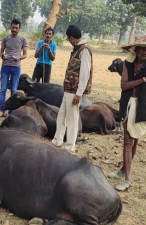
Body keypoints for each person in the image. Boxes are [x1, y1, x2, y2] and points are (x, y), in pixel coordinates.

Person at [107, 34, 146, 191]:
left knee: (134, 138)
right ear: (136, 49)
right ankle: (127, 177)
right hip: (128, 103)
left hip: (143, 106)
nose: (144, 52)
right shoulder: (128, 63)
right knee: (128, 139)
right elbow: (124, 85)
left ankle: (124, 171)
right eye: (142, 48)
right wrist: (145, 79)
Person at [51, 25, 93, 153]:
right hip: (68, 90)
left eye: (69, 39)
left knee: (72, 119)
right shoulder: (77, 49)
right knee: (61, 115)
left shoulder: (84, 50)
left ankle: (70, 146)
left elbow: (85, 74)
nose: (69, 41)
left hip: (74, 91)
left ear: (72, 38)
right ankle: (57, 140)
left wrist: (79, 93)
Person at [0, 19, 28, 117]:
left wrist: (19, 58)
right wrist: (2, 56)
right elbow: (1, 52)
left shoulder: (23, 40)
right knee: (3, 89)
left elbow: (25, 54)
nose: (14, 29)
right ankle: (2, 110)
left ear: (20, 29)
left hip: (16, 67)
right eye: (13, 27)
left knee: (14, 90)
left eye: (16, 28)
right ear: (10, 27)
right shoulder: (6, 38)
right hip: (5, 66)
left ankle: (12, 112)